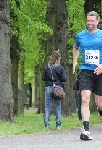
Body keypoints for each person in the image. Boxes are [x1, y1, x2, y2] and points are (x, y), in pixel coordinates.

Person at [73, 11, 102, 141]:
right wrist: (74, 61)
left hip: (100, 71)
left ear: (98, 21)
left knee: (99, 102)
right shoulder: (80, 36)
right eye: (88, 21)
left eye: (92, 21)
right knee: (85, 99)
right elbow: (75, 47)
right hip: (85, 71)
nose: (89, 23)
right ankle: (85, 130)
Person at [42, 51, 66, 130]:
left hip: (48, 87)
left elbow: (43, 78)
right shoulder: (60, 67)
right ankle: (58, 126)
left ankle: (47, 126)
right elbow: (64, 79)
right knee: (58, 107)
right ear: (58, 58)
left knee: (47, 107)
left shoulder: (46, 67)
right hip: (58, 88)